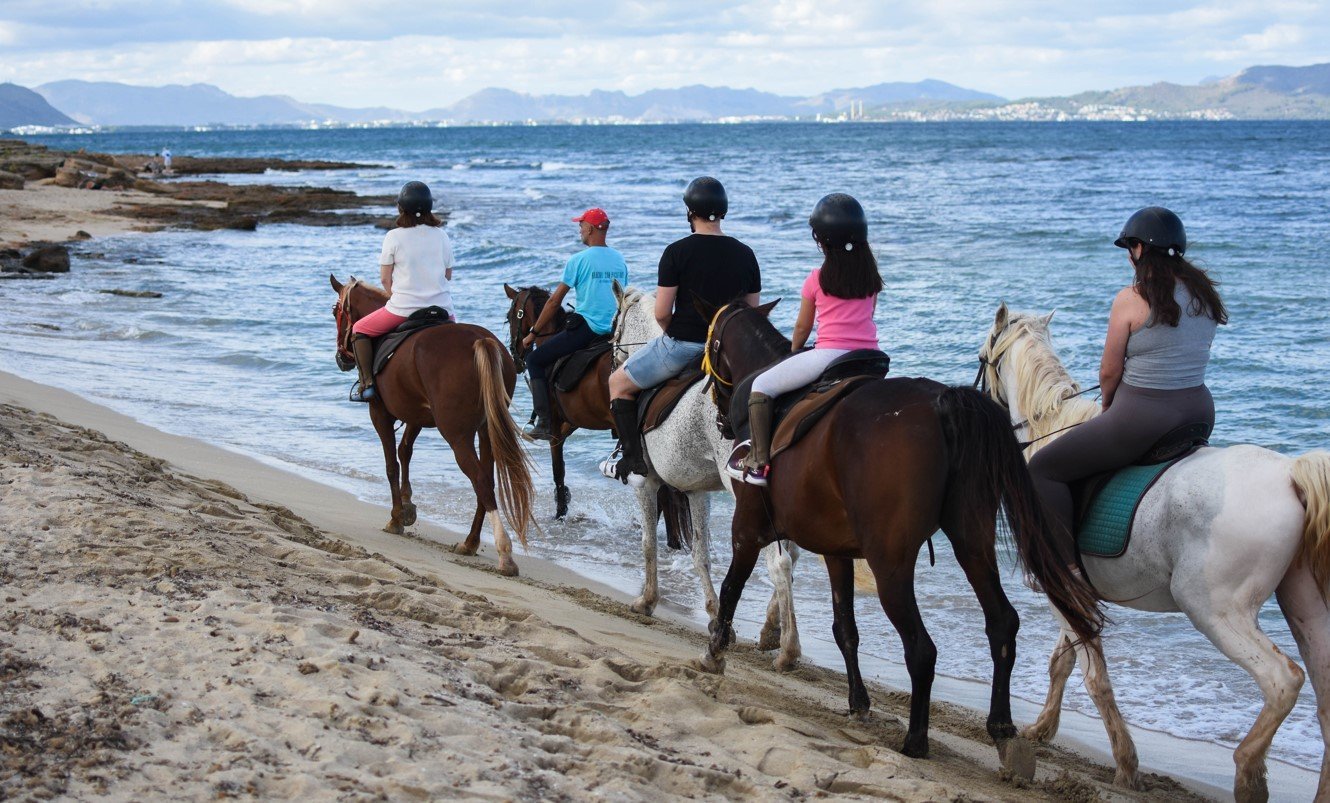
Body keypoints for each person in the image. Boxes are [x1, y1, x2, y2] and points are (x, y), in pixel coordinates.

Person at [1029, 206, 1226, 563]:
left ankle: (1066, 571)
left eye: (1129, 249)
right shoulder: (1205, 296)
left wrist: (1108, 406)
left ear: (1139, 249)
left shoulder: (1131, 298)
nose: (1128, 257)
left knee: (1043, 468)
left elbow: (1109, 371)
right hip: (1199, 411)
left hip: (1144, 418)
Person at [599, 176, 761, 486]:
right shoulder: (746, 253)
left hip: (685, 346)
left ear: (690, 213)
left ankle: (633, 460)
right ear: (723, 212)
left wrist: (678, 335)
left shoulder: (676, 252)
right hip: (731, 353)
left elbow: (661, 313)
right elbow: (750, 314)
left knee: (617, 382)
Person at [725, 193, 882, 486]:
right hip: (870, 357)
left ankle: (758, 462)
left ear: (822, 240)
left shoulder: (817, 278)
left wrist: (794, 351)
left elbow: (802, 327)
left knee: (761, 387)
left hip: (829, 355)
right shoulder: (871, 276)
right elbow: (868, 315)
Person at [520, 207, 629, 441]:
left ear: (590, 228)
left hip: (587, 330)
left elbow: (553, 302)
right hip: (614, 331)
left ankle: (545, 422)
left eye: (581, 225)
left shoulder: (578, 260)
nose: (580, 230)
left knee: (534, 360)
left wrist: (534, 332)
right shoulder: (620, 259)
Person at [348, 180, 454, 403]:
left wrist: (397, 294)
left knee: (359, 329)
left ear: (400, 207)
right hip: (443, 309)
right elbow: (448, 275)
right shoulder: (442, 235)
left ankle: (366, 384)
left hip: (404, 309)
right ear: (429, 207)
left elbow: (385, 279)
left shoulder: (393, 237)